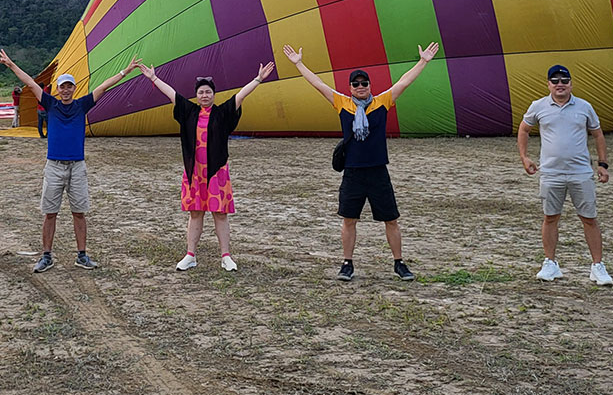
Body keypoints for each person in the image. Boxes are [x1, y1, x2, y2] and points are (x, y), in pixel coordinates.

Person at [284, 43, 439, 281]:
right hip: (353, 172)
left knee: (391, 219)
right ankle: (347, 264)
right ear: (350, 88)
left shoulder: (382, 102)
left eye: (364, 83)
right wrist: (299, 64)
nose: (360, 87)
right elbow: (318, 85)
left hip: (378, 171)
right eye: (355, 84)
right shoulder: (342, 103)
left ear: (369, 86)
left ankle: (399, 263)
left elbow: (404, 82)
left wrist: (423, 61)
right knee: (349, 219)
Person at [137, 58, 275, 272]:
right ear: (196, 95)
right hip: (194, 173)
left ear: (213, 94)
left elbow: (240, 96)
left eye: (208, 92)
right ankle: (190, 255)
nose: (204, 95)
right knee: (195, 213)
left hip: (216, 172)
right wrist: (154, 78)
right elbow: (171, 94)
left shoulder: (222, 113)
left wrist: (257, 79)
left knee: (220, 214)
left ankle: (226, 256)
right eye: (201, 92)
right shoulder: (189, 111)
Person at [0, 49, 130, 272]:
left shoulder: (81, 105)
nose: (66, 90)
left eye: (70, 86)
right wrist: (11, 65)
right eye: (63, 86)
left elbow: (103, 87)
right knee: (50, 212)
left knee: (79, 212)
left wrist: (124, 71)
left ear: (74, 88)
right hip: (54, 166)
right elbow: (30, 83)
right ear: (58, 90)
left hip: (77, 166)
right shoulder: (51, 104)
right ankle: (46, 256)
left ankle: (82, 255)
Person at [518, 65, 613, 286]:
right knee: (550, 217)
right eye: (555, 81)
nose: (560, 84)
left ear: (571, 83)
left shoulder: (584, 107)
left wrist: (602, 164)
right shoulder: (538, 106)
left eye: (564, 80)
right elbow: (524, 129)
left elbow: (597, 133)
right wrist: (525, 157)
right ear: (548, 84)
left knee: (589, 218)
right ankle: (550, 263)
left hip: (580, 172)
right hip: (551, 173)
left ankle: (597, 266)